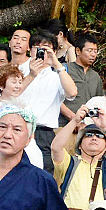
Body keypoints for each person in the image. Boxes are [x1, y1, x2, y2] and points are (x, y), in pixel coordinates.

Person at [18, 31, 79, 172]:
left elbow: (72, 93)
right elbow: (11, 95)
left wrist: (57, 64)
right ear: (30, 49)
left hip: (44, 133)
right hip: (19, 128)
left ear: (54, 51)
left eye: (46, 48)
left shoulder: (57, 75)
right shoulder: (19, 70)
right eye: (36, 47)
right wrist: (32, 74)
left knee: (44, 174)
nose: (40, 51)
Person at [51, 106, 106, 210]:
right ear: (79, 145)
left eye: (99, 136)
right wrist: (75, 121)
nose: (94, 138)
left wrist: (105, 128)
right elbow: (56, 147)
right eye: (88, 135)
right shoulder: (70, 162)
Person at [62, 32, 102, 123]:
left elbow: (99, 101)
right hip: (63, 124)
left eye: (95, 51)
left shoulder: (95, 76)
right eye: (89, 50)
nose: (93, 55)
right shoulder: (64, 69)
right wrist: (72, 117)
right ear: (78, 51)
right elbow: (54, 98)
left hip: (87, 127)